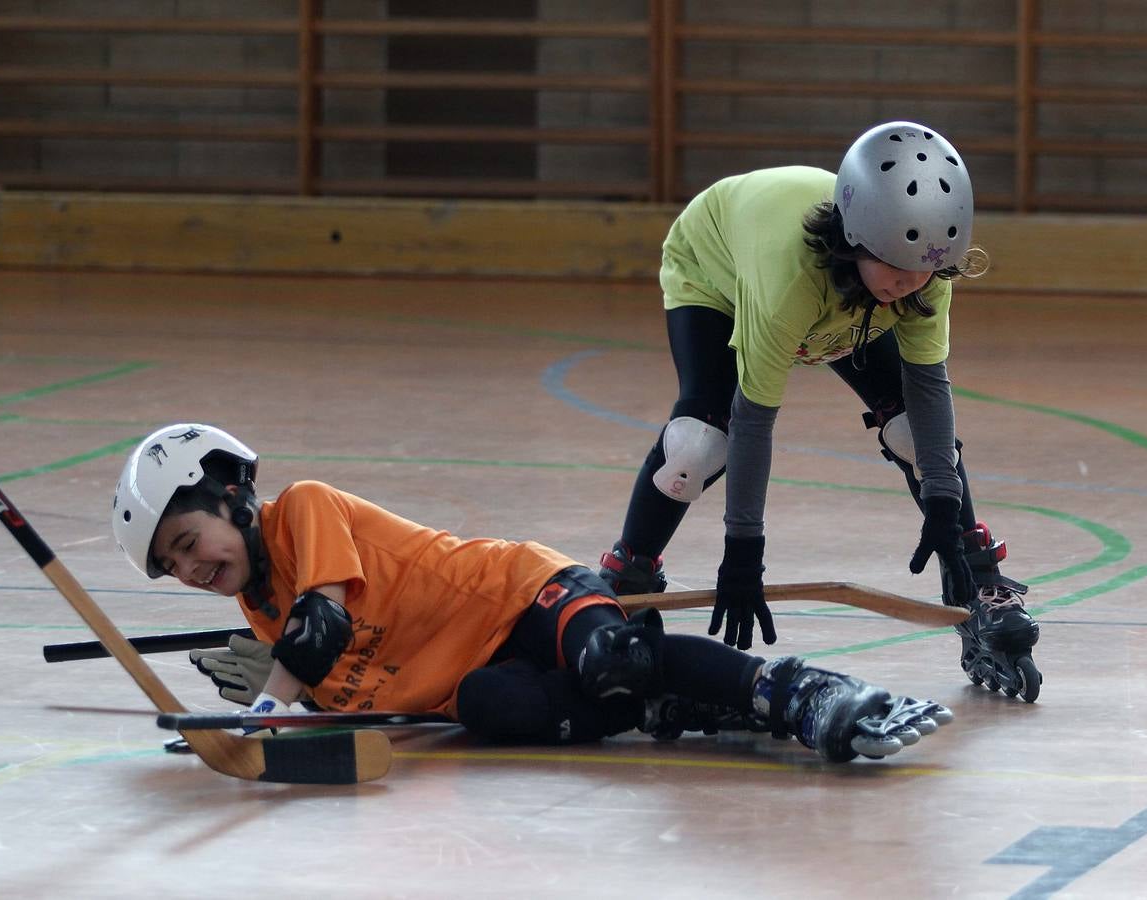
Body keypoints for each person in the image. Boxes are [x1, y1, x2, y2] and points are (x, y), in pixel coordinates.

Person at [110, 422, 953, 762]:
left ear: (233, 496)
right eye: (171, 567)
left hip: (522, 592)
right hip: (475, 675)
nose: (189, 569)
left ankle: (798, 692)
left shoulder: (303, 509)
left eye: (187, 542)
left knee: (608, 655)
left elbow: (320, 628)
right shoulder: (258, 610)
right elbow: (353, 698)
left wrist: (263, 715)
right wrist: (269, 722)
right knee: (492, 710)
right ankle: (665, 700)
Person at [596, 120, 1041, 701]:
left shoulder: (918, 272)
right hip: (717, 275)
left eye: (925, 270)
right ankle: (628, 574)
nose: (910, 283)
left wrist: (943, 506)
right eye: (896, 266)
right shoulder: (790, 281)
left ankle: (979, 581)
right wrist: (743, 552)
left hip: (845, 296)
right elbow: (754, 420)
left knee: (912, 431)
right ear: (856, 237)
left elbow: (930, 394)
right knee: (697, 446)